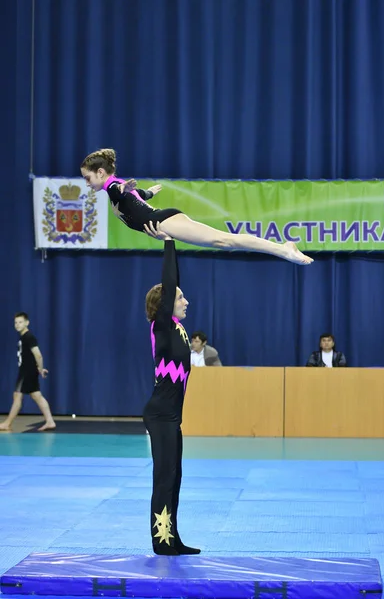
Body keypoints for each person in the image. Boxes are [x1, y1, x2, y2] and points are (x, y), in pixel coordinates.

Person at [80, 148, 314, 265]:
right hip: (165, 223)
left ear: (101, 172)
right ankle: (283, 249)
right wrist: (147, 192)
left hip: (166, 221)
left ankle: (284, 249)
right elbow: (137, 197)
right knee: (224, 242)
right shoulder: (116, 189)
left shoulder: (113, 187)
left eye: (88, 178)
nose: (87, 184)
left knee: (225, 241)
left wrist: (124, 189)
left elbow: (120, 191)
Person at [143, 225, 200, 556]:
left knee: (175, 477)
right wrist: (169, 242)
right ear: (165, 302)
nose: (186, 300)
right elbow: (169, 281)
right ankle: (160, 541)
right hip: (160, 415)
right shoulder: (162, 326)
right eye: (180, 297)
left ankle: (172, 538)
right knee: (164, 478)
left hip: (171, 417)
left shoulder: (178, 330)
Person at [0, 313, 56, 432]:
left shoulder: (29, 337)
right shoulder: (23, 337)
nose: (17, 325)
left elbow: (38, 355)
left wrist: (40, 369)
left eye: (20, 322)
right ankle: (50, 421)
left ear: (27, 323)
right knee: (36, 395)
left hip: (26, 373)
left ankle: (7, 423)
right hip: (28, 371)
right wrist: (38, 368)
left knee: (17, 396)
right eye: (15, 322)